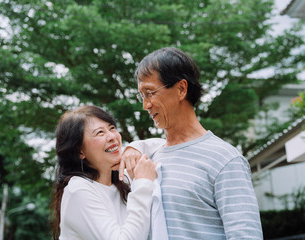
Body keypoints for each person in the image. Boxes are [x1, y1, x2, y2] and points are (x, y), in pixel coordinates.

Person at [120, 47, 263, 239]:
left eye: (150, 93)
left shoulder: (225, 159)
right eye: (142, 96)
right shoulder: (149, 160)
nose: (145, 105)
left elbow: (245, 235)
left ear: (181, 89)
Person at [50, 105, 158, 240]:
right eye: (100, 132)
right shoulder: (78, 190)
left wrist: (134, 147)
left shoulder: (122, 180)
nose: (112, 136)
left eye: (112, 128)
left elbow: (166, 146)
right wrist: (144, 183)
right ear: (80, 151)